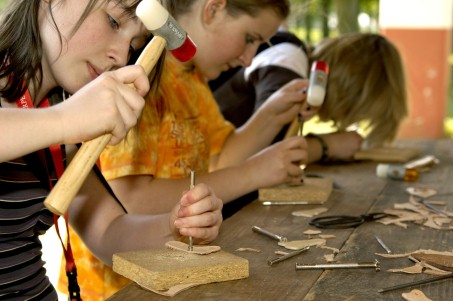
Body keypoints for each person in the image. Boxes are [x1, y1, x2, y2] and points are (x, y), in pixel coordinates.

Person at [59, 0, 310, 299]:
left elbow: (218, 159)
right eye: (249, 39)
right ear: (213, 9)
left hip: (179, 275)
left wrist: (271, 114)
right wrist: (254, 173)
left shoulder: (192, 78)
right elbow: (129, 201)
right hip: (122, 286)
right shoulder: (144, 76)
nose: (248, 59)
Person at [0, 1, 223, 300]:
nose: (120, 56)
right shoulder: (62, 119)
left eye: (135, 44)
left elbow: (107, 232)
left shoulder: (56, 112)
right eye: (113, 22)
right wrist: (66, 120)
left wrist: (175, 228)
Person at [211, 30, 408, 164]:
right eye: (352, 114)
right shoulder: (287, 64)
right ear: (348, 94)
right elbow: (265, 160)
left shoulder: (291, 58)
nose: (340, 122)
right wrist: (326, 146)